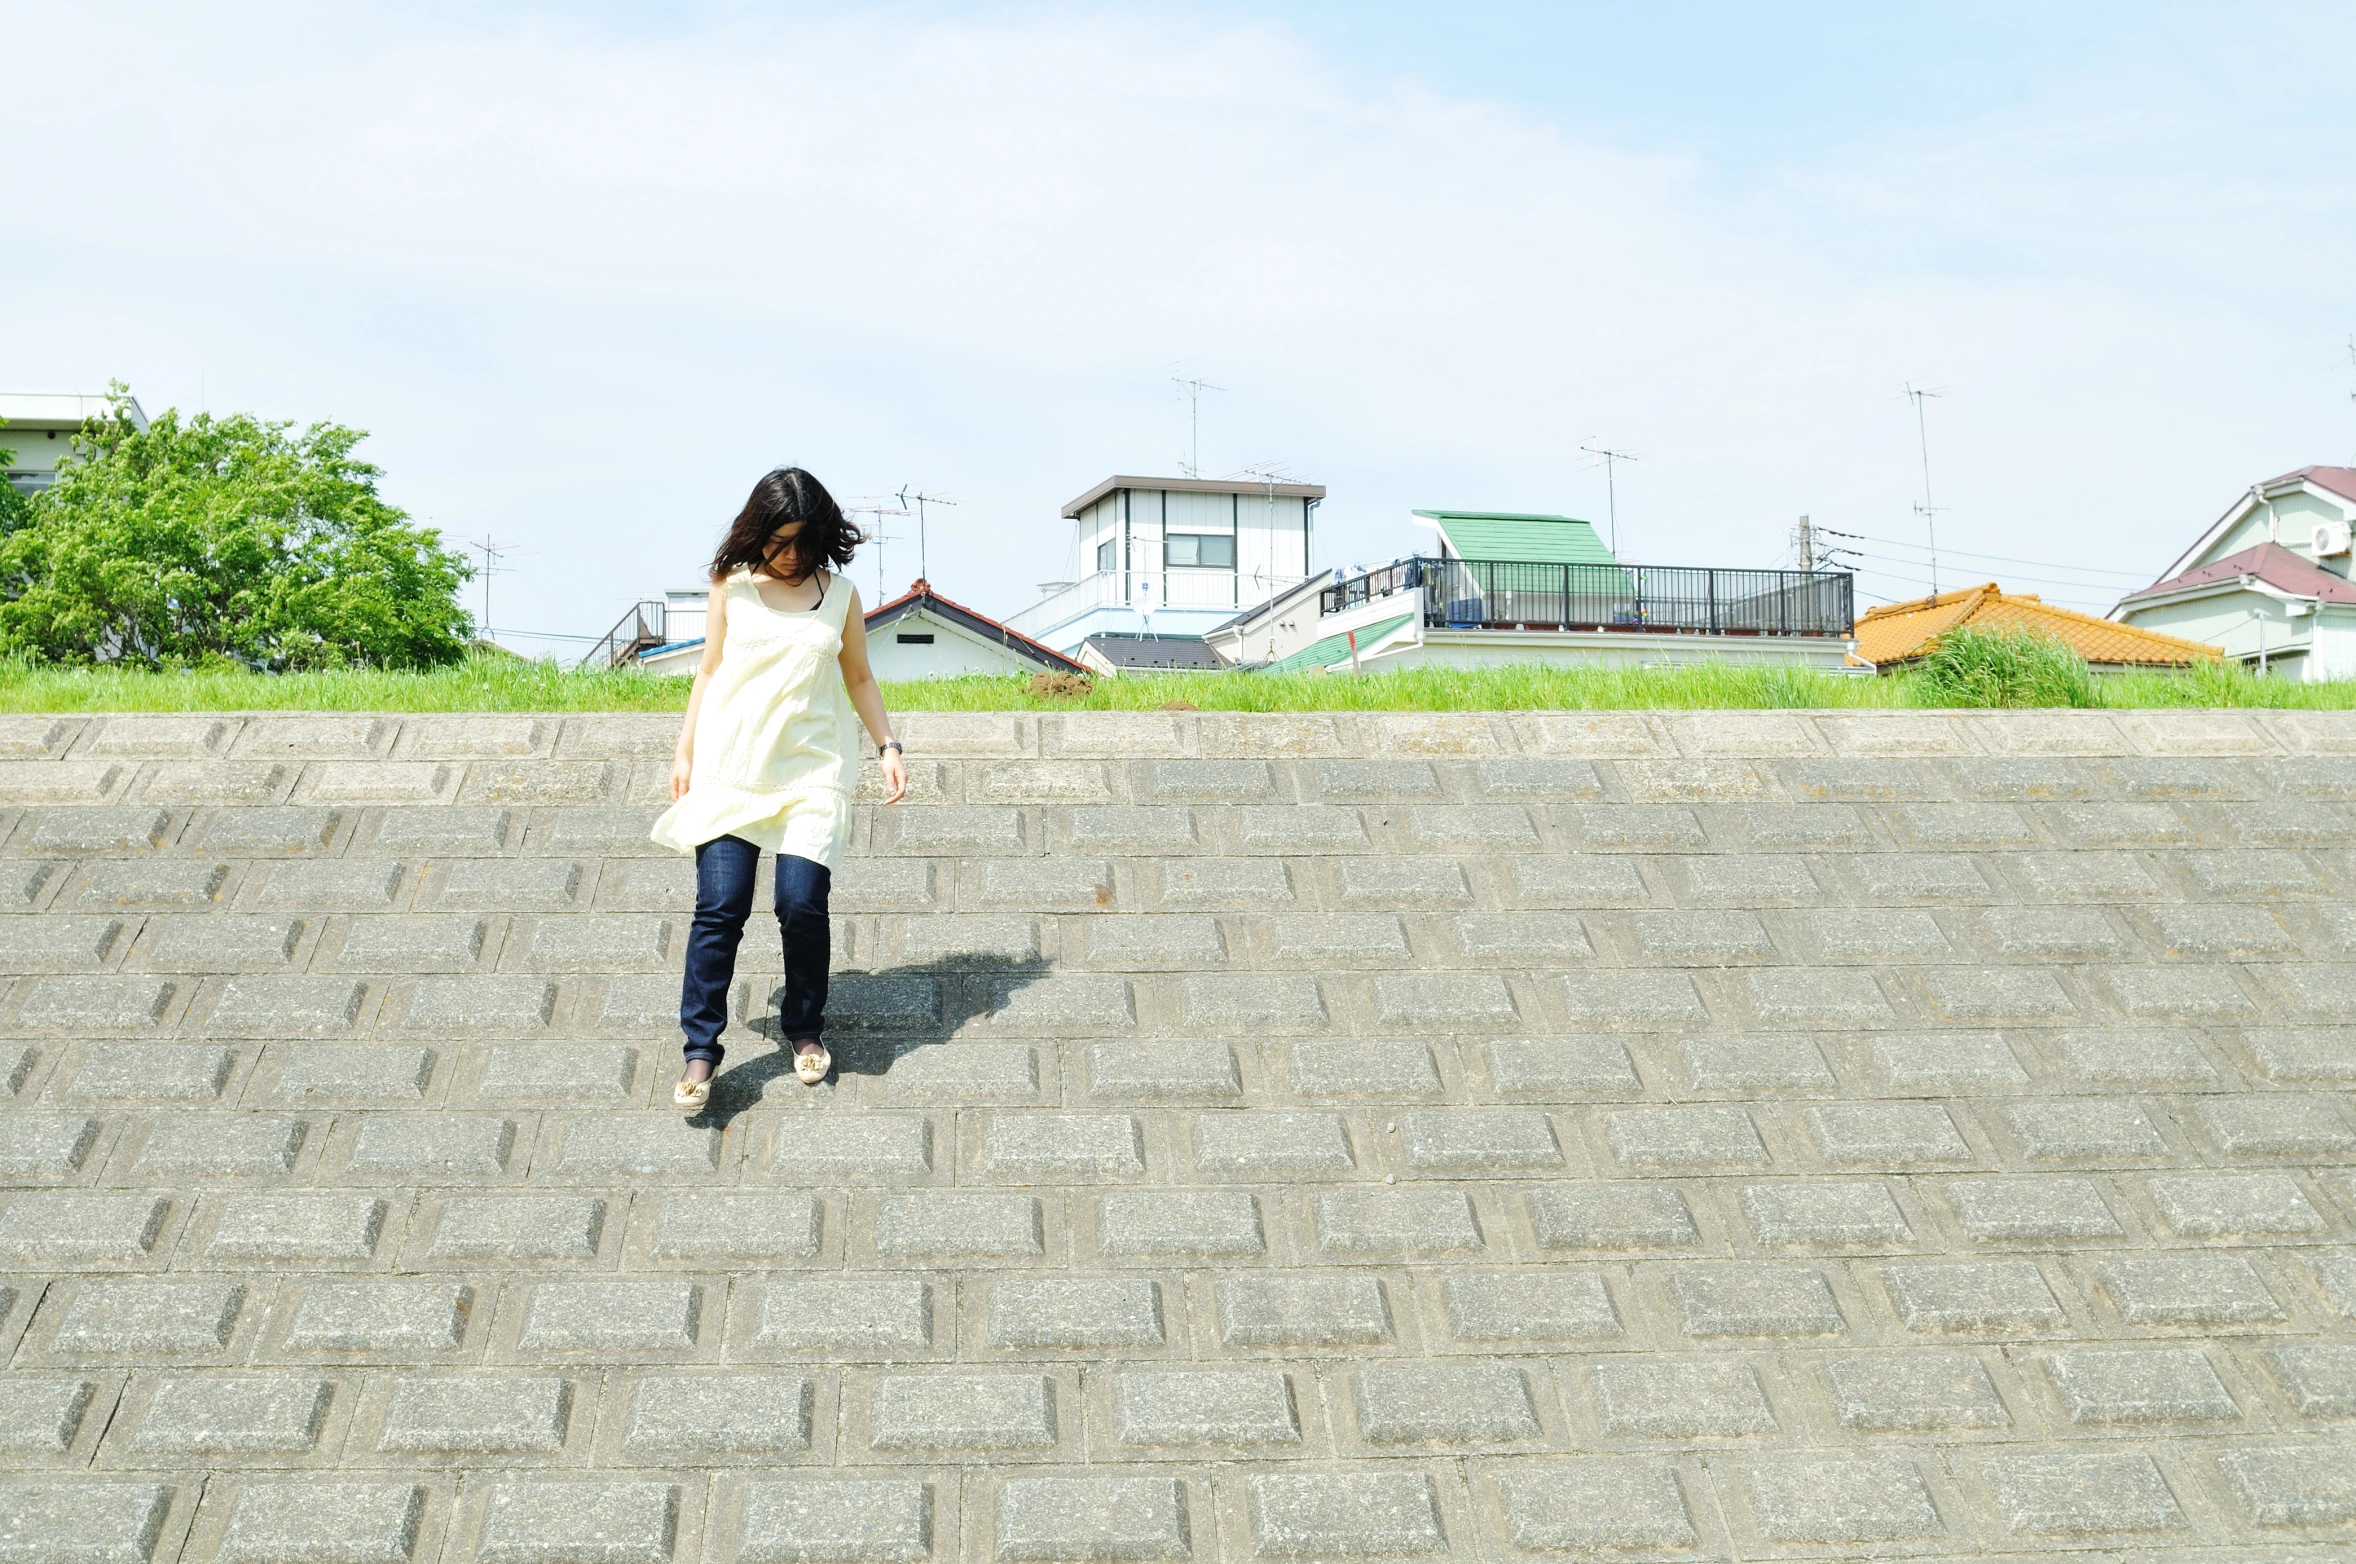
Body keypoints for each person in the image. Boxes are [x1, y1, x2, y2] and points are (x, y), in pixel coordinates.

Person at [651, 467, 909, 1112]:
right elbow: (708, 671)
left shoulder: (841, 593)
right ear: (757, 532)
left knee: (800, 904)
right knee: (722, 906)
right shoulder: (730, 588)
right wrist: (684, 750)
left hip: (813, 771)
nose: (790, 553)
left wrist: (888, 746)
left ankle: (803, 1029)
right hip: (731, 765)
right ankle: (701, 1050)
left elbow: (860, 677)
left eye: (803, 539)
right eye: (778, 538)